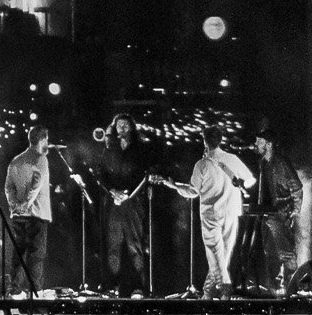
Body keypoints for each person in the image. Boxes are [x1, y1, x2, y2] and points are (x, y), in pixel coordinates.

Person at [151, 126, 254, 297]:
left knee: (216, 254)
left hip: (211, 214)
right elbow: (250, 181)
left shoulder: (202, 165)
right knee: (223, 255)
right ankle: (208, 292)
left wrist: (174, 185)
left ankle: (225, 289)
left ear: (205, 141)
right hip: (232, 211)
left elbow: (192, 191)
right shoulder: (233, 159)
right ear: (220, 140)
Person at [96, 114, 151, 295]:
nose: (122, 129)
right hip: (113, 202)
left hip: (133, 202)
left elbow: (144, 174)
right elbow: (101, 175)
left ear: (131, 128)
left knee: (134, 244)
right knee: (113, 245)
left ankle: (138, 286)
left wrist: (129, 194)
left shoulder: (140, 149)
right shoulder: (109, 149)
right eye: (119, 126)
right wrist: (112, 191)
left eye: (126, 126)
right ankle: (112, 285)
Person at [251, 124, 303, 293]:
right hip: (267, 214)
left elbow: (296, 187)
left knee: (286, 251)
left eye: (259, 141)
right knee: (271, 253)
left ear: (269, 144)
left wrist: (294, 210)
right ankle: (275, 290)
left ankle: (291, 289)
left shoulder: (280, 163)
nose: (256, 144)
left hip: (279, 214)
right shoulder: (263, 164)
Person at [4, 125, 52, 295]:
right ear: (42, 139)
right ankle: (34, 293)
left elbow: (8, 187)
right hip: (36, 214)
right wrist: (26, 204)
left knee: (18, 254)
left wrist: (14, 205)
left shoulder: (15, 160)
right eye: (46, 139)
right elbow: (36, 185)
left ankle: (14, 291)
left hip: (18, 216)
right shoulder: (41, 159)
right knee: (36, 256)